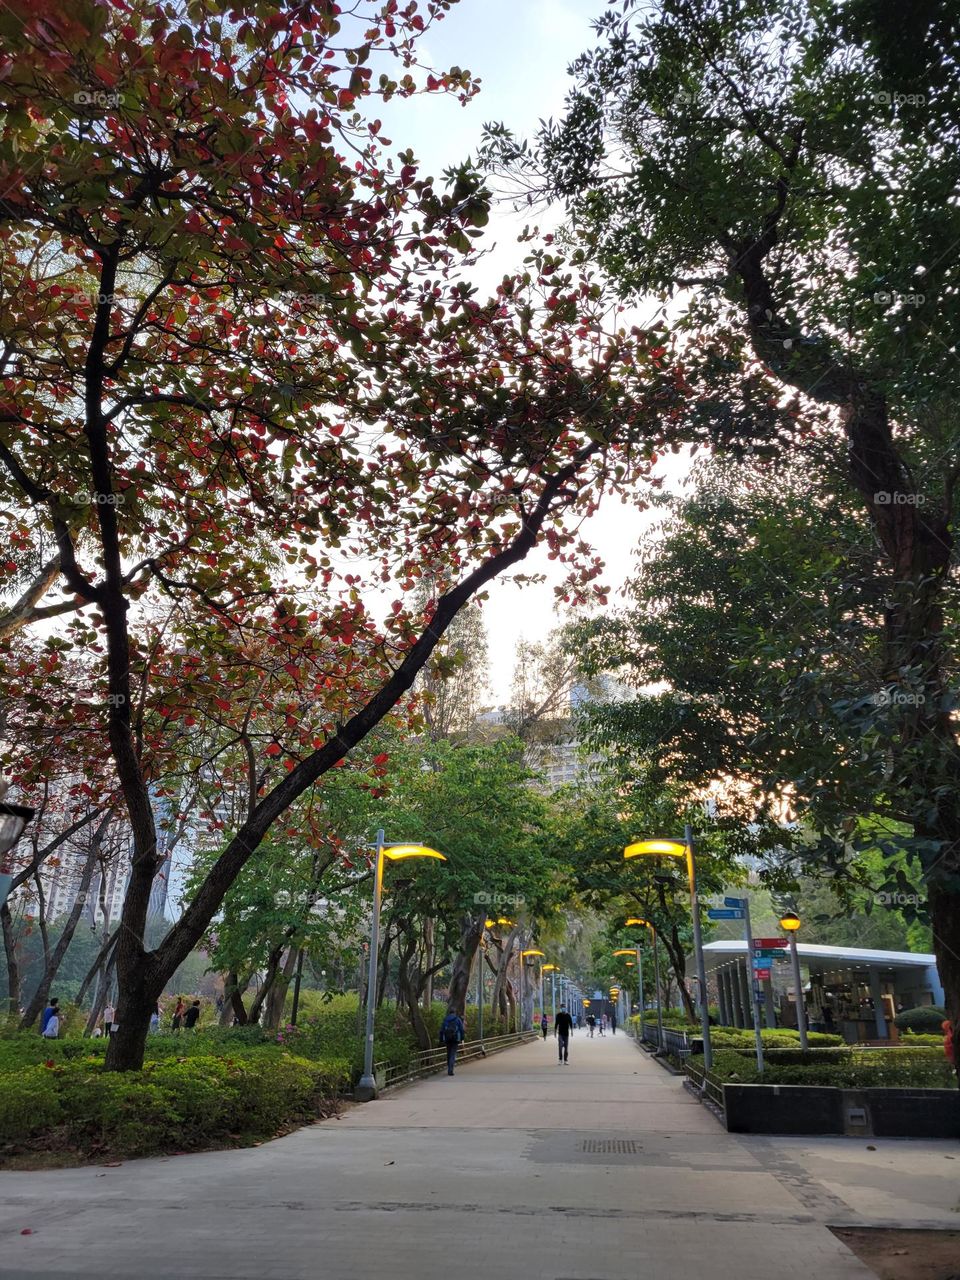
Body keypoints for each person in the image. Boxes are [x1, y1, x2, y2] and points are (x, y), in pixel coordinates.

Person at [439, 1008, 464, 1076]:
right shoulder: (458, 1019)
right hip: (456, 1039)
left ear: (449, 1013)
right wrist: (462, 1038)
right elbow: (461, 1029)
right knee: (453, 1054)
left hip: (447, 1039)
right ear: (455, 1012)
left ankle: (449, 1067)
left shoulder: (446, 1019)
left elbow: (441, 1030)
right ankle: (450, 1069)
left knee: (448, 1053)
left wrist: (441, 1039)